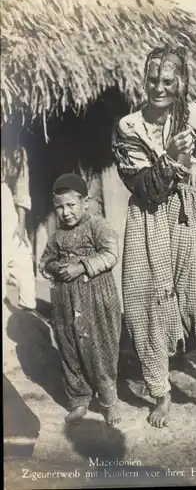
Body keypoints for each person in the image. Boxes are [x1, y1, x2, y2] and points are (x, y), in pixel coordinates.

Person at [113, 45, 196, 427]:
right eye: (152, 80)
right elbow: (144, 185)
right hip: (147, 220)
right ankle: (161, 394)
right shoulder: (128, 127)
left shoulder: (192, 115)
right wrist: (167, 154)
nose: (158, 88)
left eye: (167, 81)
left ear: (180, 82)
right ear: (143, 80)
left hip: (188, 217)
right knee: (147, 305)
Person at [39, 173, 122, 425]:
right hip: (65, 301)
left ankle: (108, 402)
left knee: (100, 348)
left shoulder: (97, 225)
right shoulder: (57, 236)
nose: (65, 212)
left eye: (70, 205)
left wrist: (82, 266)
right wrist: (55, 268)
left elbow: (110, 254)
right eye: (59, 207)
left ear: (85, 202)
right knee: (69, 347)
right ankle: (78, 399)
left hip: (96, 298)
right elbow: (44, 262)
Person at [1, 146, 36, 310]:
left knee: (21, 257)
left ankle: (27, 306)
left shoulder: (15, 149)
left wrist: (21, 224)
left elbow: (21, 187)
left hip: (6, 205)